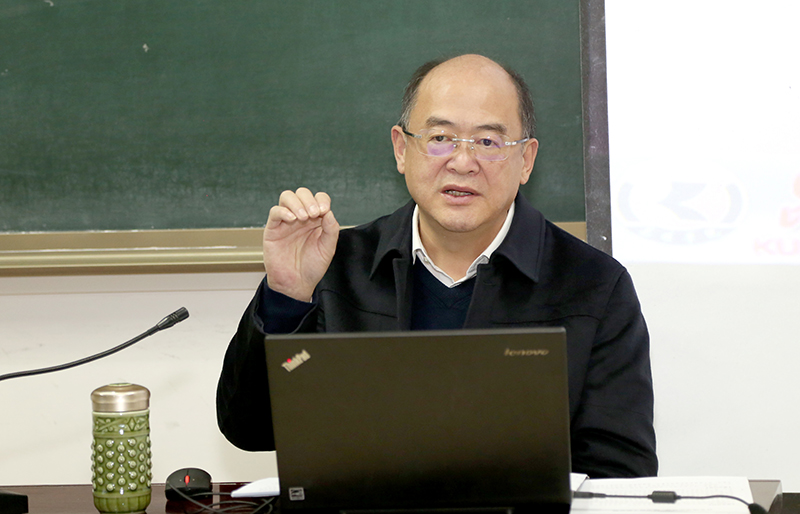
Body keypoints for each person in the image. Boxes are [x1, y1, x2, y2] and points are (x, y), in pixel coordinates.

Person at [217, 54, 658, 478]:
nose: (462, 163)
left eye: (488, 142)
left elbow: (620, 473)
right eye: (440, 138)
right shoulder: (335, 265)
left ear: (525, 160)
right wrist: (288, 296)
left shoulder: (594, 286)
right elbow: (249, 428)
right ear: (401, 149)